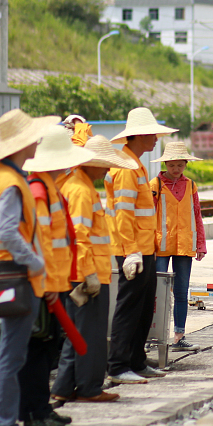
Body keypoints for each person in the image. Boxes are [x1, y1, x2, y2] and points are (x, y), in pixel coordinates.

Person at [0, 109, 60, 426]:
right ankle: (5, 424)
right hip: (16, 275)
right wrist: (35, 261)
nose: (37, 141)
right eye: (32, 137)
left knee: (11, 352)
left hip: (10, 274)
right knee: (11, 354)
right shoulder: (10, 182)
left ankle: (5, 421)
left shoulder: (3, 177)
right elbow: (8, 231)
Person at [18, 125, 95, 426]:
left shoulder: (51, 189)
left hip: (55, 283)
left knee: (47, 350)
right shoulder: (39, 191)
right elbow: (39, 242)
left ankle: (41, 408)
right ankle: (34, 413)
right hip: (43, 285)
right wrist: (47, 286)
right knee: (37, 353)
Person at [51, 135, 132, 404]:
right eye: (104, 164)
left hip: (82, 273)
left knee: (77, 333)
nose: (108, 170)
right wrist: (88, 275)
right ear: (89, 163)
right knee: (91, 335)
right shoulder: (81, 191)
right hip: (87, 275)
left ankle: (64, 387)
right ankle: (89, 388)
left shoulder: (79, 185)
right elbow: (79, 236)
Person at [106, 107, 179, 385]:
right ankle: (118, 364)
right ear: (139, 136)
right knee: (130, 306)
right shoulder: (125, 167)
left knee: (144, 306)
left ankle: (136, 360)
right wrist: (131, 250)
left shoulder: (134, 163)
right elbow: (123, 213)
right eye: (153, 135)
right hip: (132, 250)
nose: (156, 140)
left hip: (145, 249)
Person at [150, 141, 208, 351]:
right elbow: (148, 218)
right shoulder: (155, 185)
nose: (176, 169)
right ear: (165, 163)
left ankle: (179, 336)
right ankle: (154, 335)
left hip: (184, 246)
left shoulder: (191, 185)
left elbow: (197, 215)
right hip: (160, 247)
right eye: (172, 165)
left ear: (185, 164)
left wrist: (200, 244)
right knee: (157, 292)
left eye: (180, 165)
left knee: (181, 292)